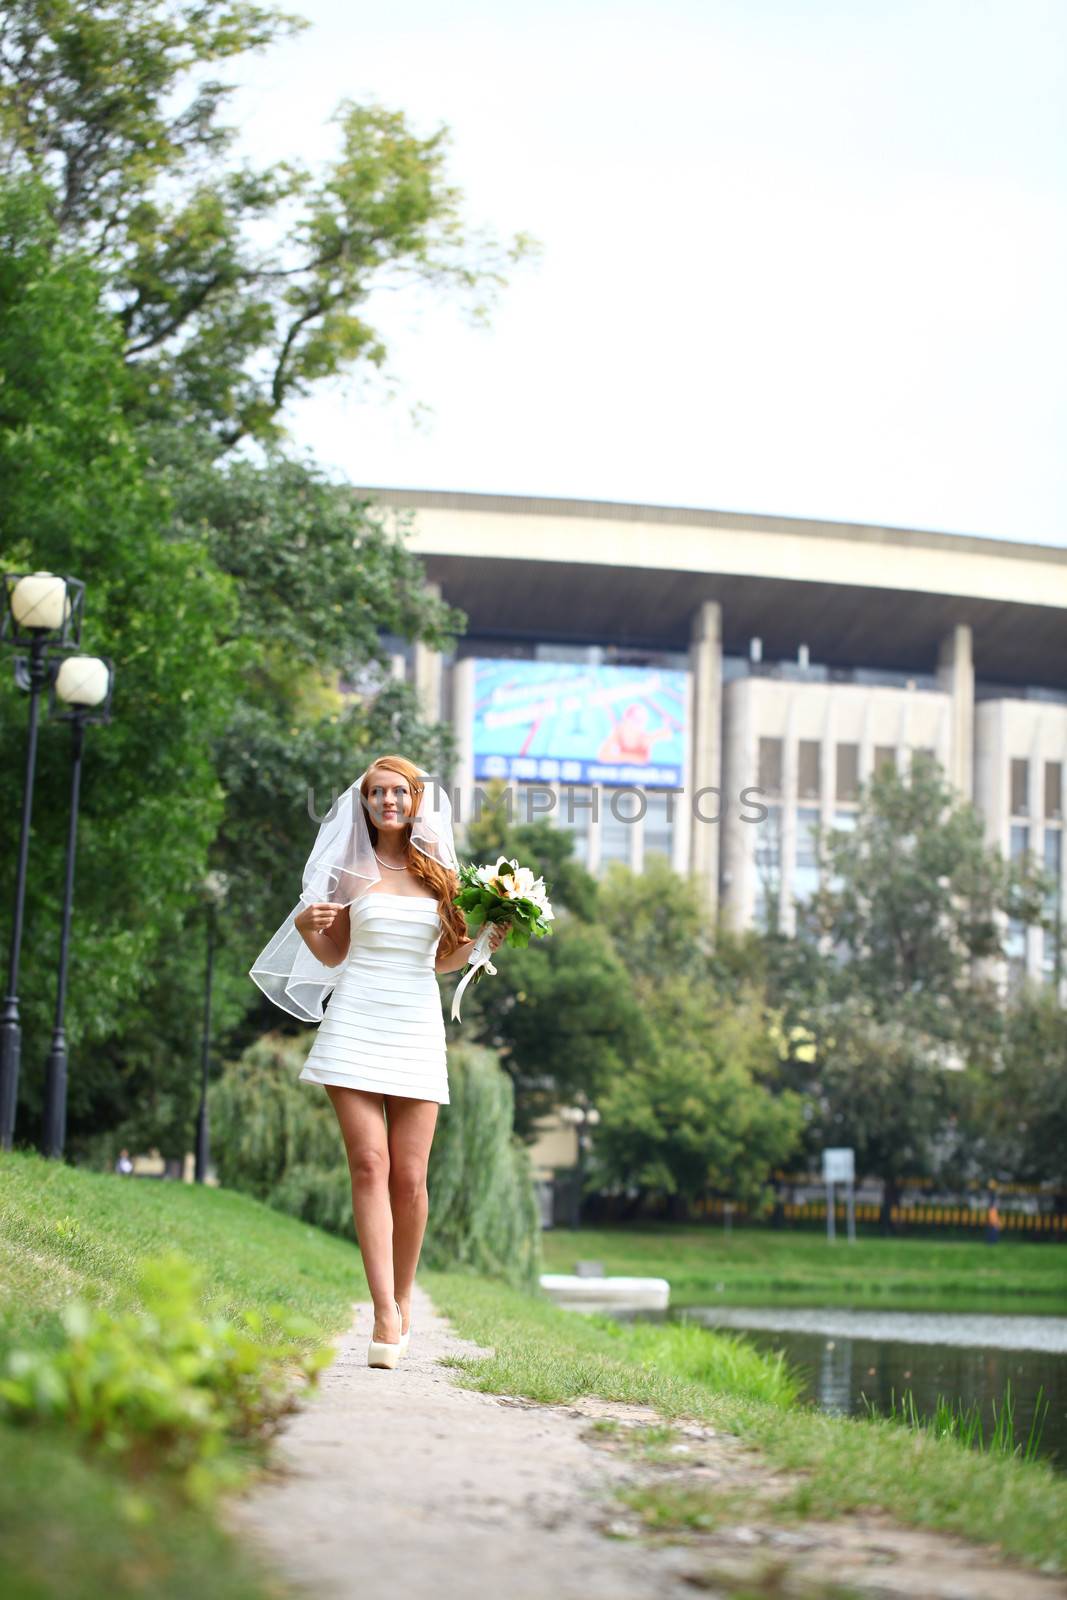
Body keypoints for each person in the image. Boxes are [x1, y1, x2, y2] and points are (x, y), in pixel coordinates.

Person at [249, 755, 506, 1371]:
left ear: (416, 800)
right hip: (356, 1017)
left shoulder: (442, 874)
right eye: (376, 793)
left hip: (415, 1022)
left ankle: (405, 1292)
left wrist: (483, 942)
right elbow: (333, 955)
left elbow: (444, 959)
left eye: (397, 792)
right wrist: (311, 929)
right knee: (369, 1164)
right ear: (363, 803)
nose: (387, 802)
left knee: (410, 1178)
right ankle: (383, 1312)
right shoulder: (347, 873)